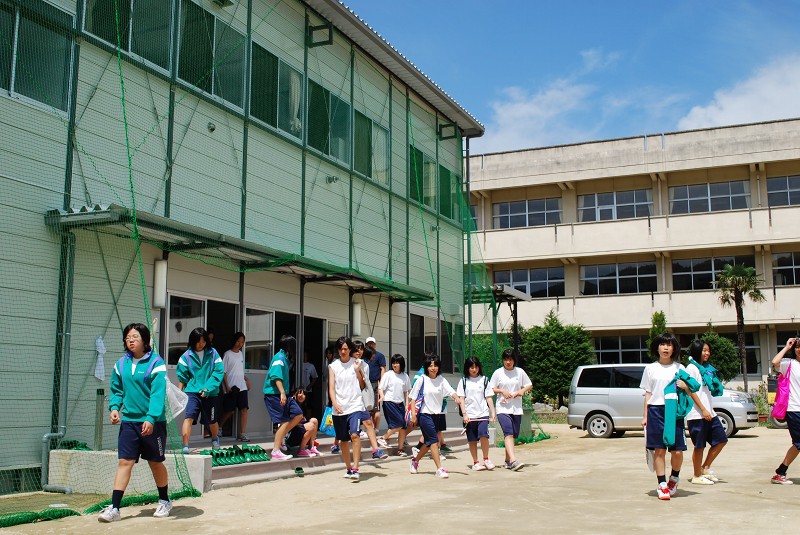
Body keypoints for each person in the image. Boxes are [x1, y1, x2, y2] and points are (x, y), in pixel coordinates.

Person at [98, 323, 172, 522]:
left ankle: (164, 500)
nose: (130, 340)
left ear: (145, 341)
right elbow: (117, 390)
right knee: (124, 462)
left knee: (155, 463)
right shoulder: (120, 364)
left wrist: (150, 418)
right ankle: (114, 508)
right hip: (129, 423)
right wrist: (114, 408)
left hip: (153, 423)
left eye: (135, 337)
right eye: (128, 337)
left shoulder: (156, 363)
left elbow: (157, 394)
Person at [641, 332, 705, 500]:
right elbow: (648, 394)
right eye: (663, 344)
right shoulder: (650, 368)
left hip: (674, 412)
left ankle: (673, 479)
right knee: (659, 450)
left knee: (677, 451)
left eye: (669, 345)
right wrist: (645, 416)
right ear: (657, 347)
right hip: (656, 411)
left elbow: (692, 388)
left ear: (674, 348)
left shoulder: (680, 368)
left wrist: (684, 386)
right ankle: (662, 484)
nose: (666, 348)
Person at [408, 354, 465, 479]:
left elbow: (451, 391)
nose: (433, 368)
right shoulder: (422, 379)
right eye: (430, 366)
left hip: (437, 415)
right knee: (434, 441)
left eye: (435, 365)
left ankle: (415, 460)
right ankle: (439, 468)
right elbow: (412, 398)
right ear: (427, 367)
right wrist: (413, 415)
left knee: (428, 443)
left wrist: (457, 399)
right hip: (424, 415)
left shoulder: (442, 380)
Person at [685, 339, 726, 485]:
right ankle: (696, 476)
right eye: (704, 350)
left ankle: (705, 468)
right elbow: (690, 391)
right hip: (697, 414)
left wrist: (708, 410)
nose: (707, 353)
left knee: (721, 440)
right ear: (697, 351)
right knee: (699, 446)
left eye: (708, 350)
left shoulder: (706, 369)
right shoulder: (691, 368)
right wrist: (702, 409)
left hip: (710, 412)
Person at [177, 327, 224, 454]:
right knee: (188, 418)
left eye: (203, 341)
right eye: (198, 341)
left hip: (211, 393)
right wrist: (179, 393)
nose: (201, 344)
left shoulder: (213, 353)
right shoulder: (186, 356)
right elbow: (182, 377)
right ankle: (185, 446)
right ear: (192, 341)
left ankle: (215, 439)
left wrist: (208, 388)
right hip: (192, 392)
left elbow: (219, 371)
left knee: (212, 420)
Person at [328, 336, 369, 480]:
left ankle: (356, 468)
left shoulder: (358, 363)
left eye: (346, 348)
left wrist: (358, 371)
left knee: (355, 435)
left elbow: (363, 385)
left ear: (350, 349)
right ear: (338, 351)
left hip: (355, 406)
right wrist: (334, 403)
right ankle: (349, 468)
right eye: (341, 349)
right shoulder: (333, 366)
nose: (343, 351)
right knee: (343, 440)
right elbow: (331, 388)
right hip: (339, 409)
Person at [489, 349, 532, 471]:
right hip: (502, 408)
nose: (508, 362)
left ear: (514, 360)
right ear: (503, 360)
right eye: (506, 359)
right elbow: (491, 388)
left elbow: (529, 384)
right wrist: (502, 391)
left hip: (516, 408)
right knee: (508, 433)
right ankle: (514, 461)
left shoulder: (520, 372)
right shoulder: (498, 373)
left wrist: (522, 391)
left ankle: (507, 461)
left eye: (510, 359)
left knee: (513, 435)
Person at [263, 335, 304, 460]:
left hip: (284, 394)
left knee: (298, 414)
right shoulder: (279, 358)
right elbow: (276, 377)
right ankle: (276, 450)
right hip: (274, 394)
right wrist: (281, 393)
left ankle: (281, 438)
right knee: (284, 421)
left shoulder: (285, 358)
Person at [457, 356, 497, 471]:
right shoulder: (463, 381)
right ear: (467, 368)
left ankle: (486, 459)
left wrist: (493, 412)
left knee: (484, 435)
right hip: (470, 416)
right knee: (472, 440)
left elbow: (488, 397)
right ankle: (476, 462)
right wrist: (465, 414)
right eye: (471, 367)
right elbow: (462, 399)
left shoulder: (484, 380)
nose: (474, 369)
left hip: (483, 414)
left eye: (476, 367)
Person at [770, 337, 800, 484]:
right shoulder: (789, 364)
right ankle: (780, 472)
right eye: (797, 347)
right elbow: (775, 362)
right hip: (794, 409)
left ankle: (780, 472)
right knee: (799, 443)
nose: (799, 349)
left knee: (798, 445)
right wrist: (787, 347)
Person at [352, 341, 388, 459]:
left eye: (361, 349)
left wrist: (359, 372)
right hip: (348, 399)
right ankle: (336, 444)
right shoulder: (345, 364)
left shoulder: (365, 365)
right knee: (345, 428)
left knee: (368, 422)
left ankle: (376, 450)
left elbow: (363, 384)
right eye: (356, 349)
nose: (359, 352)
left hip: (360, 397)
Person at [219, 332, 251, 442]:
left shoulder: (241, 354)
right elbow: (223, 371)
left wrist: (246, 380)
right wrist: (227, 386)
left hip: (242, 386)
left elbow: (240, 371)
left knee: (244, 410)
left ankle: (243, 433)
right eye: (238, 341)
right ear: (234, 341)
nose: (240, 344)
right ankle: (219, 426)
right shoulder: (227, 354)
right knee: (229, 410)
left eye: (242, 342)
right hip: (231, 387)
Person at [377, 354, 411, 455]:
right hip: (389, 402)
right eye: (393, 363)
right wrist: (382, 396)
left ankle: (400, 449)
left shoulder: (405, 376)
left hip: (400, 403)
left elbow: (406, 391)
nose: (395, 365)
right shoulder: (388, 374)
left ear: (401, 364)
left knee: (403, 427)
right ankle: (383, 438)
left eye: (397, 363)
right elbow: (380, 388)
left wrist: (406, 404)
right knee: (399, 424)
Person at [286, 388, 323, 457]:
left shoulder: (303, 406)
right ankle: (302, 450)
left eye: (304, 394)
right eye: (300, 393)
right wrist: (305, 426)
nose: (301, 395)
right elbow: (290, 423)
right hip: (291, 436)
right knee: (311, 426)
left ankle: (311, 447)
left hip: (299, 432)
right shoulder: (292, 405)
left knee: (314, 420)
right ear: (294, 395)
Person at [365, 336, 387, 431]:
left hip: (375, 383)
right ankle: (370, 428)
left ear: (375, 344)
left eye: (372, 343)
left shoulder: (380, 356)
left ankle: (376, 428)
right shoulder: (363, 356)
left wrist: (381, 383)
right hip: (364, 384)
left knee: (376, 409)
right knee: (367, 409)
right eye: (369, 343)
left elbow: (383, 369)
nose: (371, 345)